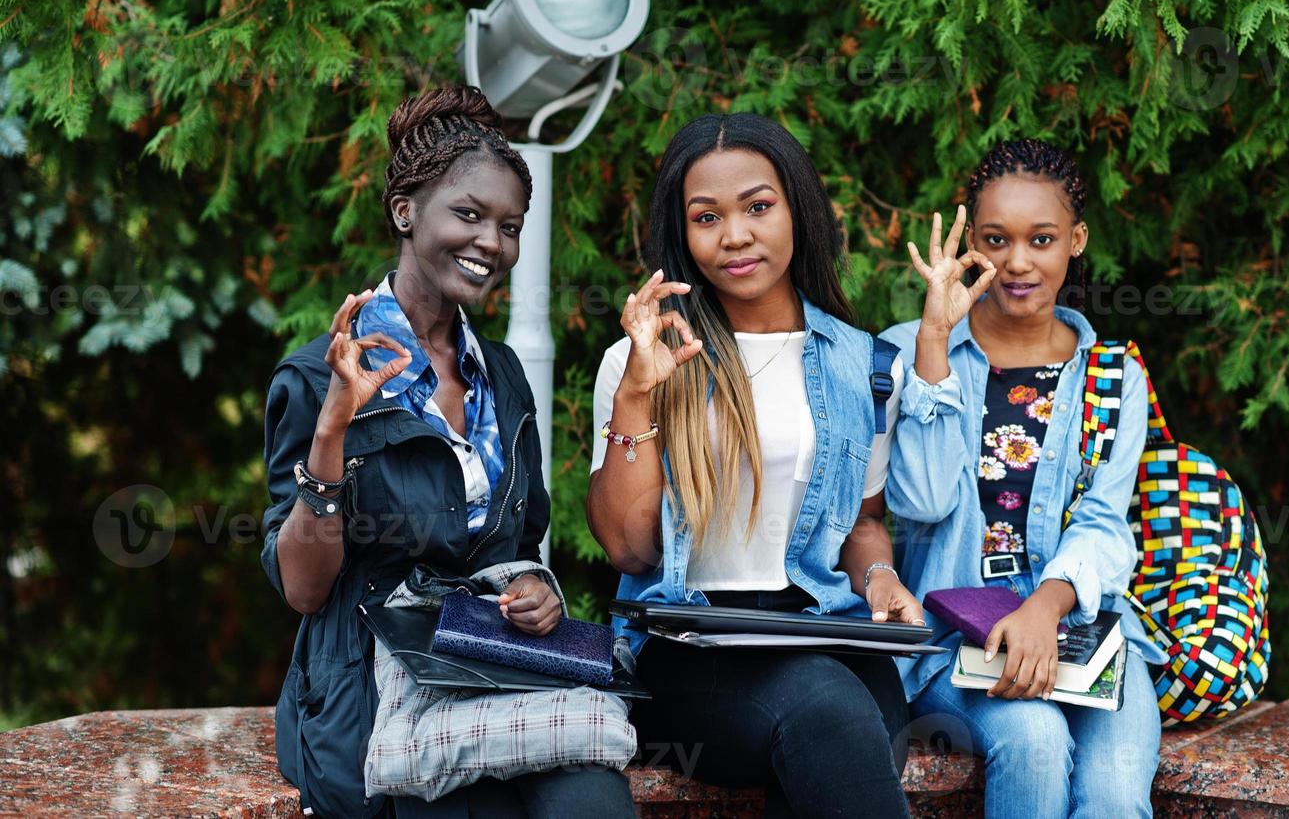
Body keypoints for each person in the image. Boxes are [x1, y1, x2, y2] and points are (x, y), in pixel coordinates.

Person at [260, 86, 636, 819]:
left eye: (509, 226)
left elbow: (519, 544)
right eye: (468, 214)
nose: (490, 243)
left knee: (595, 802)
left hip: (493, 671)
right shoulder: (318, 377)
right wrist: (333, 428)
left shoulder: (500, 373)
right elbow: (303, 590)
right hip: (375, 699)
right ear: (406, 211)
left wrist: (540, 592)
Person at [586, 113, 923, 818]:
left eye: (757, 207)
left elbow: (861, 521)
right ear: (681, 234)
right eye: (706, 217)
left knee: (836, 725)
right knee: (827, 713)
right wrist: (637, 396)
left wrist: (881, 575)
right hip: (690, 647)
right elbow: (627, 545)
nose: (734, 235)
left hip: (825, 629)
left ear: (795, 210)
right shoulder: (640, 360)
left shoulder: (860, 363)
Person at [882, 139, 1167, 819]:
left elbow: (1102, 522)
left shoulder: (1113, 378)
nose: (1016, 262)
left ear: (1075, 240)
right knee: (1034, 742)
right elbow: (919, 502)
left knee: (1115, 794)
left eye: (1040, 239)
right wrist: (931, 347)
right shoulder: (905, 352)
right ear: (969, 243)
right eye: (993, 240)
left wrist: (1043, 607)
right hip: (954, 640)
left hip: (1080, 633)